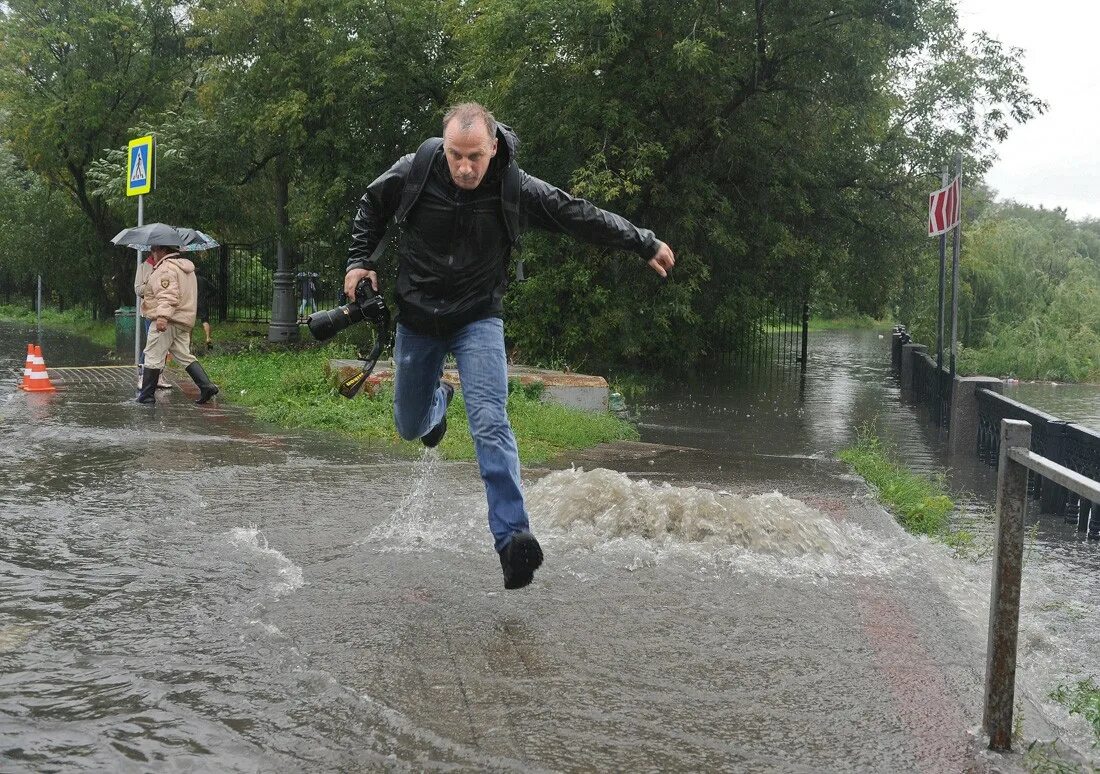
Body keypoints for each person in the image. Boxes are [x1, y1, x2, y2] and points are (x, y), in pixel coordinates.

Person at [344, 103, 675, 590]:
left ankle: (513, 539)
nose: (464, 167)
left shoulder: (514, 186)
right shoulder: (414, 171)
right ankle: (439, 404)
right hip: (418, 319)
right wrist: (358, 262)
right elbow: (371, 206)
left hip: (478, 318)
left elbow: (576, 214)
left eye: (474, 156)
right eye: (456, 155)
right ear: (444, 146)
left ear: (493, 146)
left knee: (491, 421)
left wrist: (642, 241)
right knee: (409, 423)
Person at [137, 245, 220, 405]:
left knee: (152, 355)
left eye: (154, 250)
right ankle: (206, 386)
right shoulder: (186, 269)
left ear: (163, 250)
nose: (152, 253)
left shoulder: (166, 269)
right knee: (183, 354)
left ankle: (146, 396)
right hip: (182, 321)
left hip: (167, 320)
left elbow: (168, 295)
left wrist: (162, 317)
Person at [133, 253, 173, 390]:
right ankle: (143, 376)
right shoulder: (144, 267)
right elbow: (138, 289)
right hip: (151, 312)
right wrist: (153, 284)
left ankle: (159, 375)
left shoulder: (169, 266)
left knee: (164, 345)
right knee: (151, 344)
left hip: (167, 311)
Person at [196, 271, 214, 349]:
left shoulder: (190, 279)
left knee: (190, 323)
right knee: (205, 321)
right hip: (202, 302)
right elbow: (214, 289)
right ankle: (207, 338)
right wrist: (206, 296)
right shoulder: (203, 280)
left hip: (192, 303)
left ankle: (188, 343)